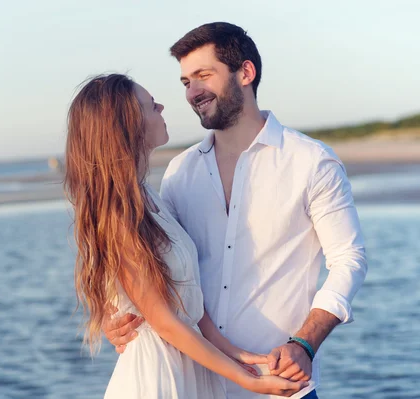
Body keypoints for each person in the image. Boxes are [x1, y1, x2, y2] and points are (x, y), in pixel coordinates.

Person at [102, 22, 367, 399]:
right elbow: (162, 276)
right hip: (195, 383)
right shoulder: (179, 173)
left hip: (280, 383)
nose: (192, 92)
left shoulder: (311, 162)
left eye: (203, 76)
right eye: (185, 82)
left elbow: (349, 260)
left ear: (245, 72)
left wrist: (305, 343)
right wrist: (122, 317)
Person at [64, 74, 308, 398]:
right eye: (152, 105)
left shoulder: (148, 197)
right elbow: (164, 321)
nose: (163, 106)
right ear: (128, 124)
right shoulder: (119, 214)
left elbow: (186, 301)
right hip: (157, 376)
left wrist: (232, 352)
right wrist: (246, 379)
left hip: (186, 368)